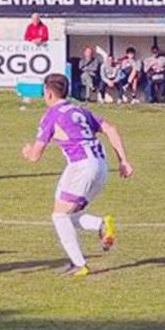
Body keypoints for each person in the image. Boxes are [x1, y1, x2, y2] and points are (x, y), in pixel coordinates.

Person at [22, 73, 133, 277]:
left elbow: (35, 156)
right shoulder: (80, 110)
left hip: (81, 167)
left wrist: (27, 151)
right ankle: (101, 224)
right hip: (100, 166)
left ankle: (79, 264)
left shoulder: (51, 115)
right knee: (67, 214)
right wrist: (123, 160)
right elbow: (110, 128)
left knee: (59, 216)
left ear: (48, 93)